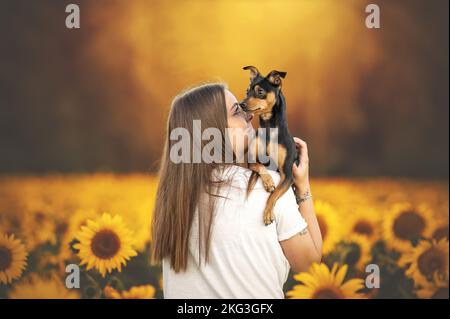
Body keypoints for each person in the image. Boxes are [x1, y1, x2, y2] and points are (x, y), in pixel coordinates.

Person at [151, 83, 322, 298]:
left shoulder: (174, 200)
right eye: (237, 112)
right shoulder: (269, 189)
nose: (249, 116)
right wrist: (303, 187)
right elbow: (310, 265)